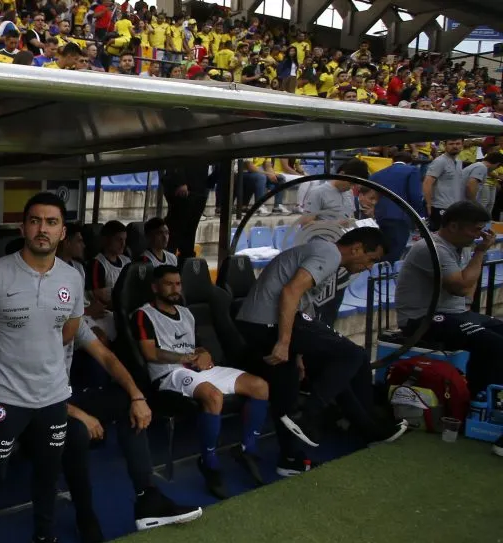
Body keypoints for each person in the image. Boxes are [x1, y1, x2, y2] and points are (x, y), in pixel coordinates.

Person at [0, 192, 84, 543]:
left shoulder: (72, 277)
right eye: (35, 221)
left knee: (47, 476)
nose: (42, 229)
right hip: (2, 397)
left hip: (52, 397)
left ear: (62, 232)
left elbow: (68, 332)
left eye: (51, 222)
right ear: (23, 227)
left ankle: (43, 540)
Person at [235, 228, 406, 475]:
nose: (370, 267)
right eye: (371, 260)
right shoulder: (329, 253)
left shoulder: (324, 257)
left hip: (256, 323)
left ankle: (290, 459)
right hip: (267, 322)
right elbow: (290, 291)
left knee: (289, 387)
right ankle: (309, 417)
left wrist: (299, 353)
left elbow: (303, 303)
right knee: (352, 355)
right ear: (356, 248)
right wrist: (284, 342)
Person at [63, 316, 202, 543]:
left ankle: (148, 499)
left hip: (64, 397)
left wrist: (136, 395)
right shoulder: (30, 327)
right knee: (76, 431)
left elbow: (107, 358)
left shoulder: (70, 319)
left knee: (129, 403)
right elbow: (31, 394)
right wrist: (81, 415)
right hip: (33, 407)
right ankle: (85, 515)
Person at [134, 266, 270, 499]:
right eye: (169, 284)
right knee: (213, 396)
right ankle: (209, 461)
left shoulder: (186, 313)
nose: (175, 289)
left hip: (196, 368)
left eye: (178, 284)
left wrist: (204, 353)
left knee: (260, 386)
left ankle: (248, 449)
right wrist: (183, 358)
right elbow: (149, 353)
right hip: (170, 374)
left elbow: (196, 346)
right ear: (155, 287)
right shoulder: (144, 314)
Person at [396, 201, 503, 403]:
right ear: (453, 226)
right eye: (476, 229)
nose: (480, 235)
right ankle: (476, 400)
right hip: (421, 319)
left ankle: (493, 394)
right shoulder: (432, 248)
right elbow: (461, 287)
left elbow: (466, 290)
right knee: (493, 344)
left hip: (453, 314)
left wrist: (475, 255)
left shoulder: (460, 247)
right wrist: (480, 252)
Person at [370, 151, 426, 262]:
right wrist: (420, 215)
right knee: (394, 253)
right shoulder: (412, 170)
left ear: (393, 161)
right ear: (409, 162)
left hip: (379, 216)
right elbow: (415, 195)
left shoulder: (378, 174)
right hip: (401, 216)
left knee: (381, 251)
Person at [423, 139, 464, 230]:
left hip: (455, 207)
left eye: (458, 144)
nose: (455, 146)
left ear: (462, 145)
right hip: (440, 207)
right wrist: (428, 205)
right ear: (445, 146)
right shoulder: (440, 161)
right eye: (451, 143)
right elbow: (427, 183)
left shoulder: (459, 161)